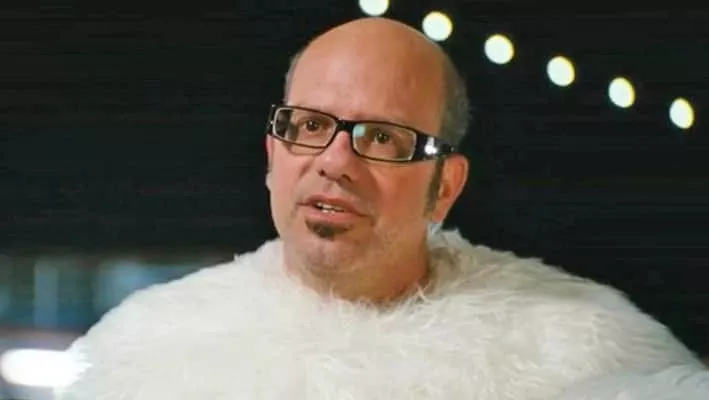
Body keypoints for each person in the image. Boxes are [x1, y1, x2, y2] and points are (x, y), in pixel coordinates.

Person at [55, 17, 708, 399]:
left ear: (444, 186)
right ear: (272, 154)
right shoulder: (148, 357)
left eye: (382, 138)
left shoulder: (584, 359)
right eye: (310, 126)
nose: (334, 161)